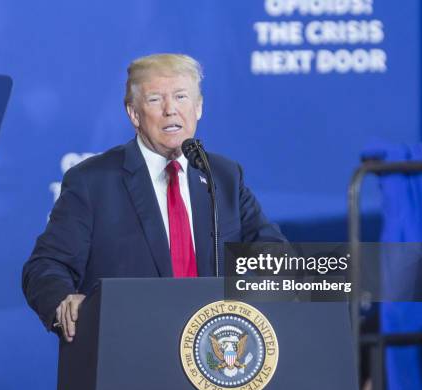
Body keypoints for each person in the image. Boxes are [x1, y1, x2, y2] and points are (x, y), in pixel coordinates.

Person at [22, 53, 286, 342]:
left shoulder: (222, 175)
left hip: (215, 354)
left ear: (198, 107)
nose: (171, 110)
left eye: (181, 97)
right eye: (155, 100)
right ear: (134, 113)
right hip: (129, 348)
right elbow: (46, 265)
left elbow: (270, 250)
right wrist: (64, 301)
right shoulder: (92, 181)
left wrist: (296, 278)